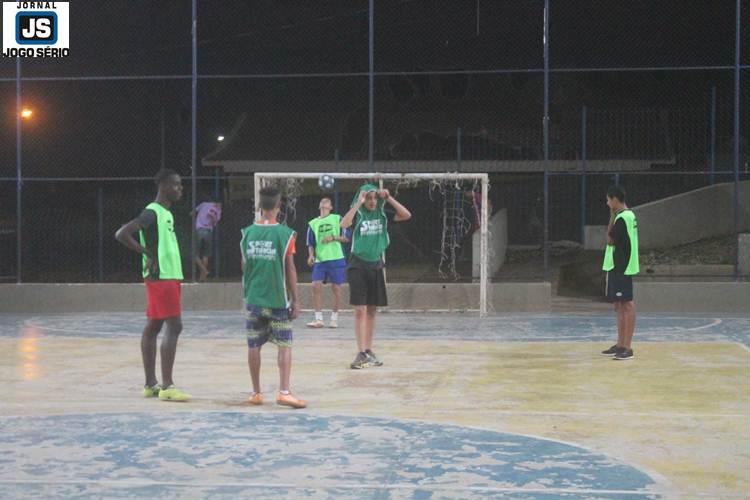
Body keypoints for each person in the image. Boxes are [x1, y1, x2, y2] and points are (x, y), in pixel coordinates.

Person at [115, 168, 191, 401]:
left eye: (180, 184)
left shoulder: (165, 213)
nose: (180, 188)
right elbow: (122, 233)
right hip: (162, 276)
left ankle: (150, 384)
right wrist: (146, 253)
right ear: (164, 187)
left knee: (154, 326)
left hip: (167, 275)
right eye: (176, 185)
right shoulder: (153, 212)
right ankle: (167, 387)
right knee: (174, 325)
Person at [240, 185, 306, 408]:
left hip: (253, 299)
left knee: (253, 345)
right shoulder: (285, 235)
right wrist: (296, 300)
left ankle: (256, 392)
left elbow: (244, 266)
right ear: (279, 207)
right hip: (278, 299)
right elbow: (290, 270)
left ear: (259, 206)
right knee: (284, 345)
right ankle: (284, 392)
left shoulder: (246, 233)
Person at [340, 184, 411, 369]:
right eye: (368, 198)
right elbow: (344, 224)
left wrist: (388, 198)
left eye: (374, 198)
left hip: (376, 265)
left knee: (372, 309)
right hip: (358, 265)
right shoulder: (358, 214)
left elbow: (406, 215)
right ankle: (360, 352)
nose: (372, 202)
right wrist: (358, 203)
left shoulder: (382, 214)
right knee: (360, 309)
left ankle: (368, 350)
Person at [601, 185, 639, 361]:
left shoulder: (623, 218)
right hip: (618, 266)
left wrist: (612, 215)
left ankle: (627, 347)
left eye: (609, 200)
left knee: (627, 304)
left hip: (621, 266)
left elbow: (610, 239)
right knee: (620, 306)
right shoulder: (626, 216)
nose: (607, 203)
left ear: (615, 199)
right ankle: (621, 344)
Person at [306, 197, 350, 329]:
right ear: (319, 206)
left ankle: (334, 318)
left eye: (327, 202)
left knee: (336, 288)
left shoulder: (337, 219)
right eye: (322, 201)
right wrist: (311, 256)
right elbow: (310, 243)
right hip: (321, 260)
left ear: (330, 207)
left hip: (336, 258)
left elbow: (346, 237)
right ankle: (319, 319)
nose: (324, 203)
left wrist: (333, 238)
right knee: (315, 285)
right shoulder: (313, 223)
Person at [193, 198, 222, 282]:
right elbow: (215, 222)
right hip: (208, 232)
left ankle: (203, 270)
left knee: (195, 254)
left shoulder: (204, 204)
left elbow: (193, 212)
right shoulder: (218, 210)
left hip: (199, 230)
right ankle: (203, 277)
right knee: (206, 255)